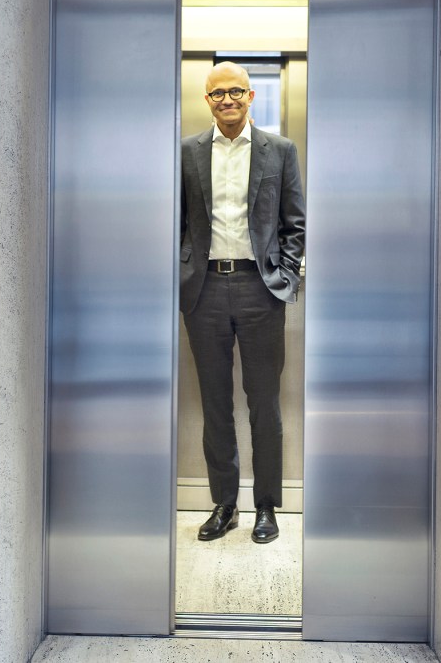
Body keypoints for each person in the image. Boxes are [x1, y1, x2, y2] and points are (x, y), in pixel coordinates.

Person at [180, 61, 305, 544]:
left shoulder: (279, 151)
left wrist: (286, 275)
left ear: (252, 97)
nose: (227, 100)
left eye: (236, 92)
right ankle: (225, 504)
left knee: (264, 404)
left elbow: (295, 220)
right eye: (217, 94)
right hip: (204, 290)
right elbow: (179, 221)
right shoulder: (188, 152)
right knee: (214, 405)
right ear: (206, 99)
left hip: (260, 290)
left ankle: (267, 507)